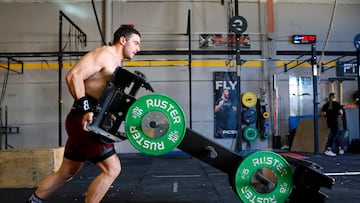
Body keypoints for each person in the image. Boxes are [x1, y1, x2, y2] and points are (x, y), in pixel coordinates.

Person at [27, 26, 141, 203]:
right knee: (112, 169)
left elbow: (96, 90)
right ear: (123, 40)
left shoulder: (116, 62)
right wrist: (87, 109)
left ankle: (33, 201)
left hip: (83, 120)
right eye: (136, 43)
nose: (138, 48)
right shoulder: (105, 54)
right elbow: (74, 76)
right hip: (84, 122)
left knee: (67, 171)